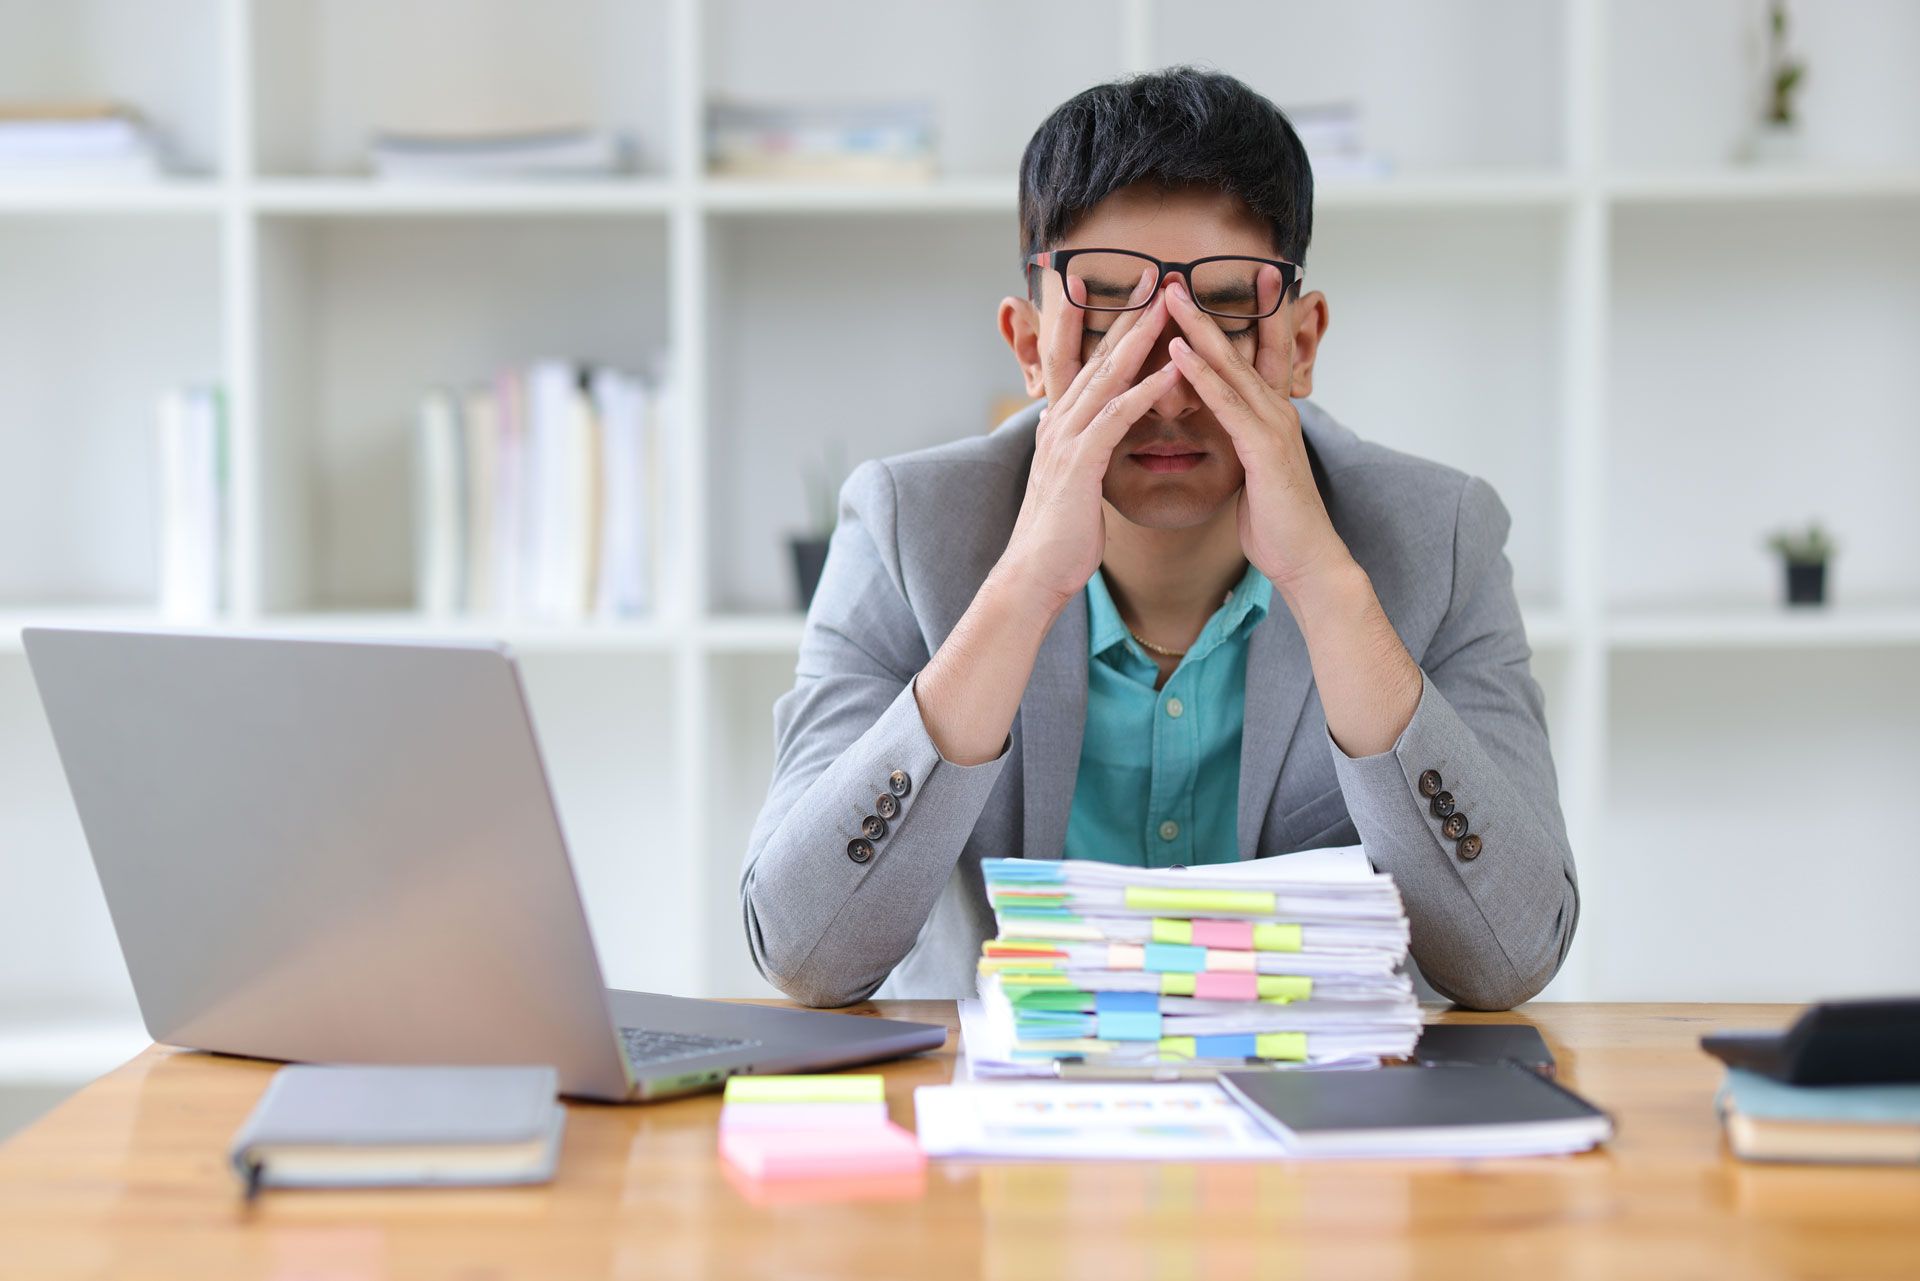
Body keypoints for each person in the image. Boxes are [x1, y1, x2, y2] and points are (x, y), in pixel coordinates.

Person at [739, 66, 1578, 1011]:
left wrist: (1328, 588)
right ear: (1029, 346)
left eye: (1221, 314)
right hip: (1008, 1134)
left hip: (1324, 1124)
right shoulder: (909, 527)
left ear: (1301, 344)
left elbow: (1514, 957)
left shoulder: (1440, 535)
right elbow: (800, 952)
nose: (1171, 387)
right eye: (1110, 320)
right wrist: (1020, 588)